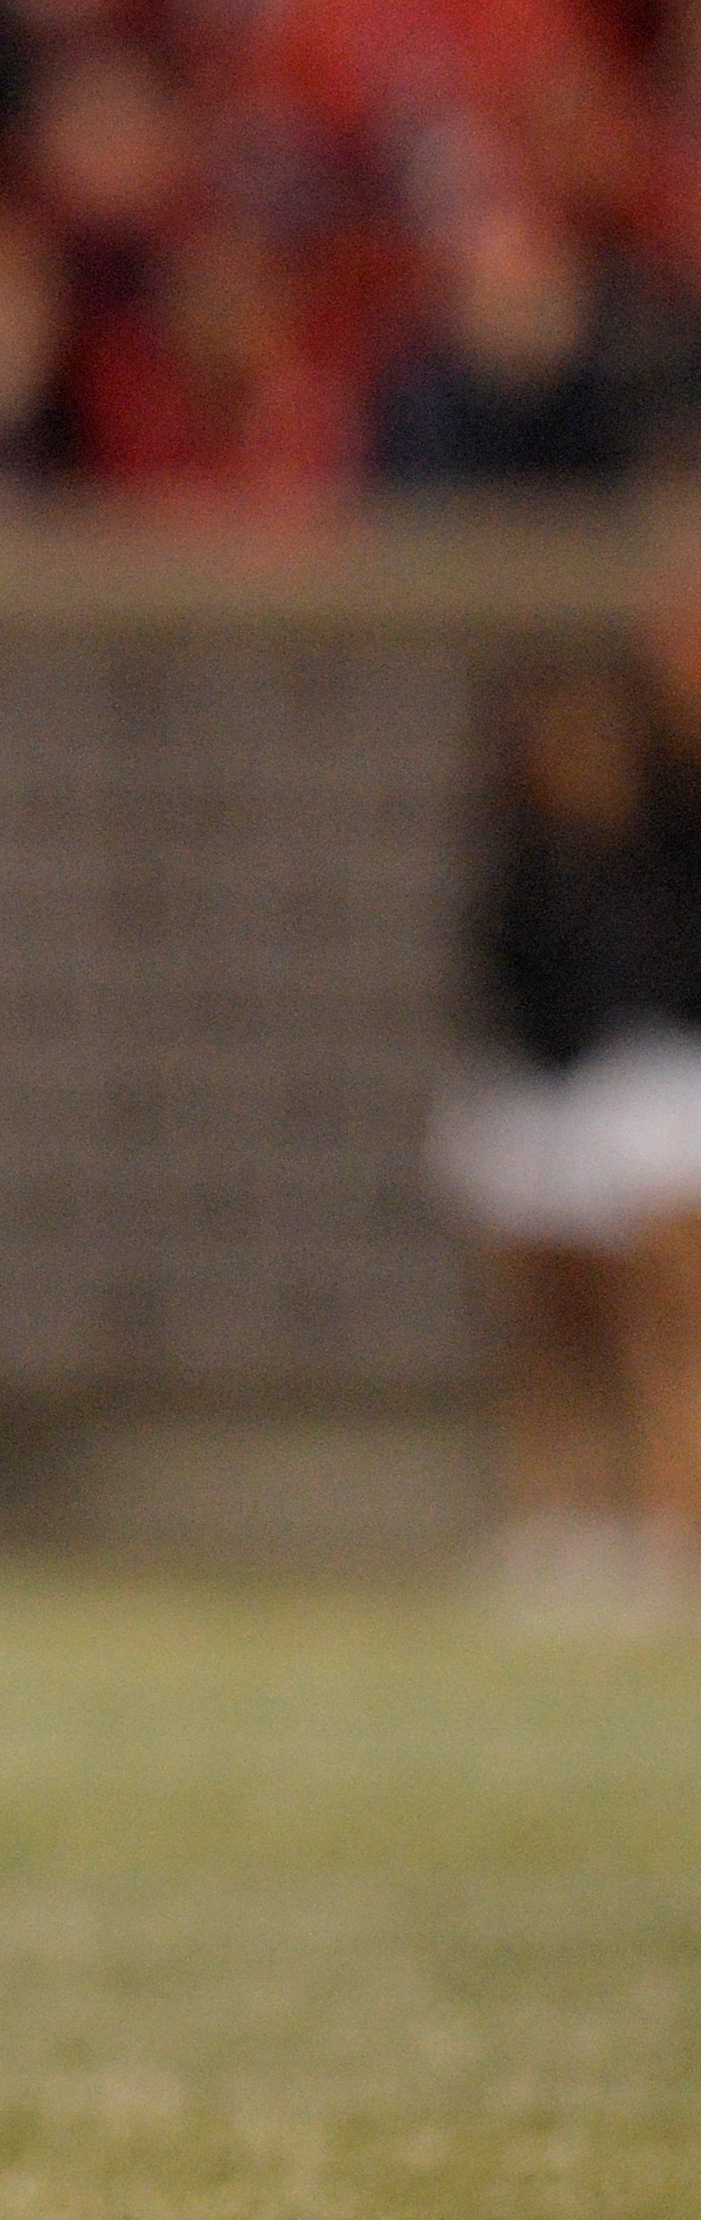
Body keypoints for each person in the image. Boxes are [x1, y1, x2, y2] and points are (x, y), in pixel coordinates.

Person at [433, 650, 701, 1632]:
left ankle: (669, 1524)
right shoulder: (523, 860)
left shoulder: (662, 840)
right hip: (538, 1090)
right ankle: (557, 1523)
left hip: (644, 1086)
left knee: (661, 1322)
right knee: (548, 1333)